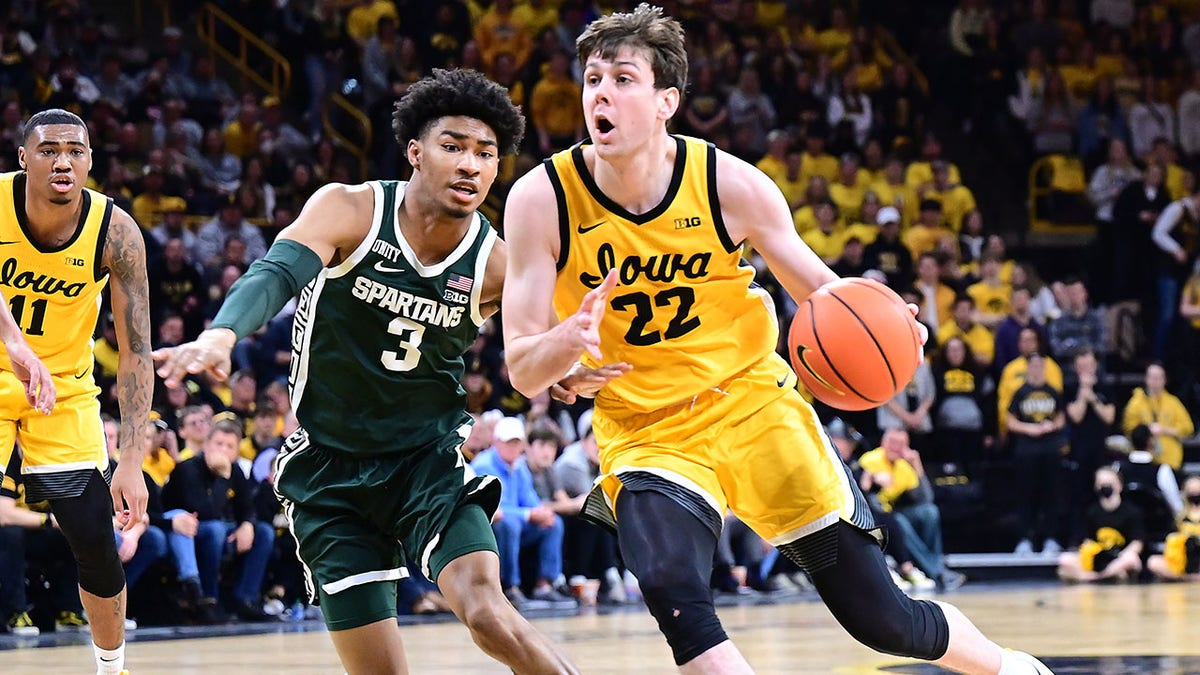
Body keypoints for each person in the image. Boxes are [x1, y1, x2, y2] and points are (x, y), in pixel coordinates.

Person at [501, 6, 1050, 674]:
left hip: (754, 405)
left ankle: (1008, 666)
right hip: (645, 427)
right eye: (592, 79)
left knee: (882, 619)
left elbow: (822, 293)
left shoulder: (729, 183)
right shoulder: (542, 199)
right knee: (672, 586)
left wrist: (888, 320)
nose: (600, 94)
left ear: (666, 101)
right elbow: (523, 368)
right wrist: (565, 342)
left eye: (622, 78)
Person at [152, 70, 576, 675]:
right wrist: (222, 332)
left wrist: (566, 361)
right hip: (329, 473)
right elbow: (276, 272)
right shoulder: (349, 209)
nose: (470, 165)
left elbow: (536, 355)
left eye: (485, 154)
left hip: (426, 464)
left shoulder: (495, 263)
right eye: (452, 146)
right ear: (414, 152)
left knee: (486, 611)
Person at [0, 108, 152, 675]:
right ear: (23, 158)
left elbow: (136, 351)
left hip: (61, 388)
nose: (63, 160)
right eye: (48, 149)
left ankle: (111, 669)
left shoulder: (115, 231)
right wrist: (14, 344)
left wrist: (132, 461)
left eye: (76, 150)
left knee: (93, 536)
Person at [1056, 467, 1145, 583]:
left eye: (1109, 483)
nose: (1105, 487)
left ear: (1119, 486)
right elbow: (1087, 540)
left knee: (1131, 560)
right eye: (1101, 484)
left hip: (1119, 559)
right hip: (1098, 559)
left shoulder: (1131, 512)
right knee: (1064, 561)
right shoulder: (1092, 512)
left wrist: (1125, 554)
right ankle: (1099, 577)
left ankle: (1101, 576)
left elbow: (1137, 542)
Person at [1147, 475, 1200, 581]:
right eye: (1191, 491)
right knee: (1153, 562)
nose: (1195, 494)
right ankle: (1190, 578)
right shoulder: (1178, 517)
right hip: (1182, 561)